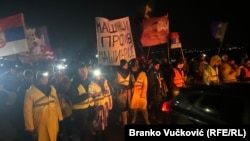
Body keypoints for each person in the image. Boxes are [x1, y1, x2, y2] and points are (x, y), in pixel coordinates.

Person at [23, 70, 63, 141]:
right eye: (43, 78)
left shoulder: (52, 88)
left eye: (46, 78)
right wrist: (30, 126)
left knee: (53, 137)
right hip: (40, 123)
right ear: (38, 79)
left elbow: (56, 104)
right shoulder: (30, 92)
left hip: (53, 120)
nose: (45, 80)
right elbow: (27, 110)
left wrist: (60, 117)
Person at [67, 62, 96, 141]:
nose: (84, 73)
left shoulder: (90, 81)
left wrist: (95, 95)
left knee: (88, 130)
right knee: (83, 131)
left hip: (89, 109)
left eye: (85, 71)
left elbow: (92, 93)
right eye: (82, 72)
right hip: (79, 112)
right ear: (78, 72)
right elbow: (73, 99)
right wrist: (87, 95)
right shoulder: (74, 84)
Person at [129, 58, 150, 125]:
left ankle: (146, 120)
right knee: (134, 107)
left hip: (141, 93)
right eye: (135, 63)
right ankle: (134, 118)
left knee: (143, 107)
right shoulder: (130, 74)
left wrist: (143, 94)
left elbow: (145, 85)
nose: (136, 64)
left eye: (137, 63)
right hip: (133, 93)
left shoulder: (143, 73)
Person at [114, 59, 134, 127]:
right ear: (122, 65)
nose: (127, 66)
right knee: (123, 108)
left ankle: (120, 119)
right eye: (125, 64)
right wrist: (123, 86)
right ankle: (124, 123)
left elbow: (131, 82)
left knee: (127, 107)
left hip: (128, 93)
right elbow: (114, 84)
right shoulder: (117, 73)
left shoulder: (129, 72)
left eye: (127, 64)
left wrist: (131, 85)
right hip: (121, 93)